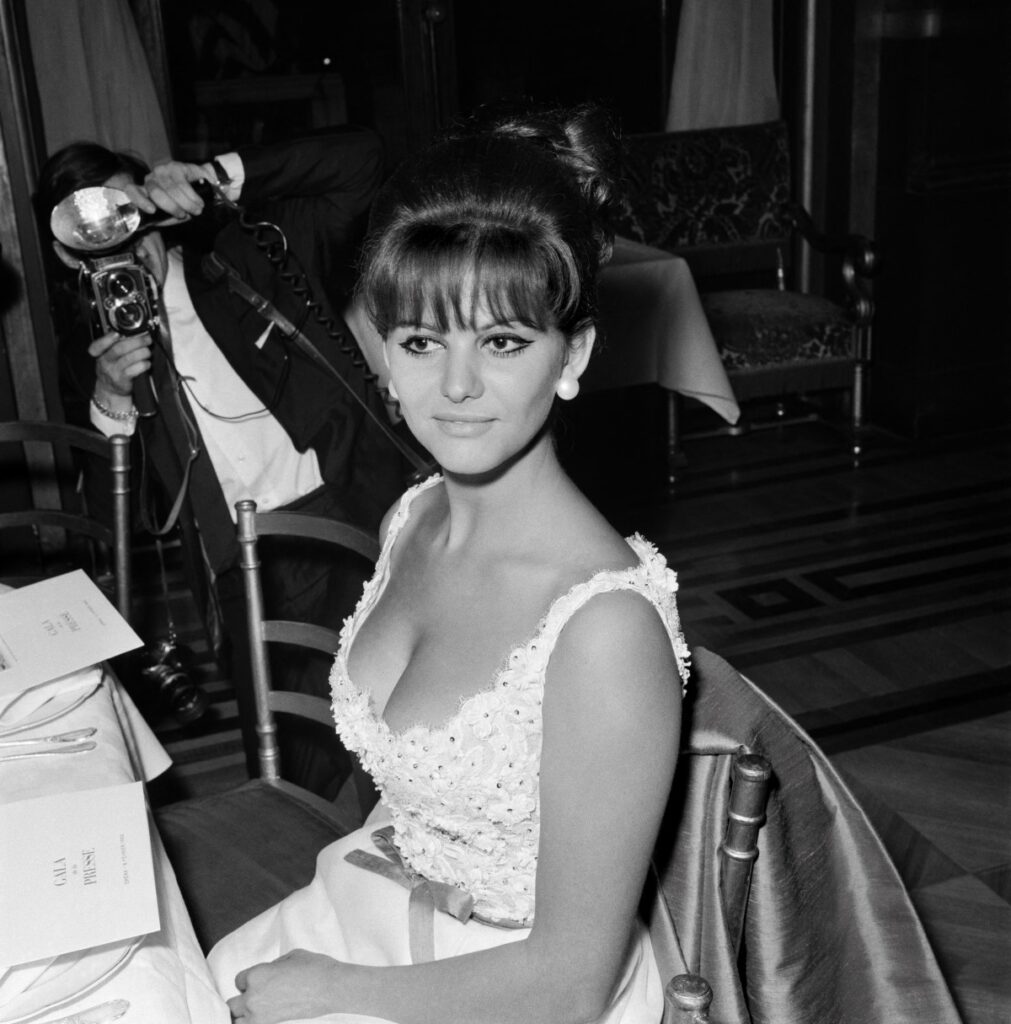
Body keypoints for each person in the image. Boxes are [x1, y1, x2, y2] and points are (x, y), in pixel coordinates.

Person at [209, 102, 690, 1024]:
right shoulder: (413, 515)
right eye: (422, 342)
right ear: (384, 353)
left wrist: (332, 989)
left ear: (573, 355)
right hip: (381, 905)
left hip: (515, 990)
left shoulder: (603, 630)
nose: (457, 386)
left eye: (502, 342)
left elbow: (569, 986)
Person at [34, 130, 406, 797]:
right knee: (292, 769)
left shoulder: (247, 258)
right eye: (97, 233)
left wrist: (212, 177)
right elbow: (110, 528)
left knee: (402, 717)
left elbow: (362, 161)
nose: (123, 243)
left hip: (352, 515)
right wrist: (113, 402)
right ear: (69, 253)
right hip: (242, 560)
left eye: (129, 214)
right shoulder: (92, 348)